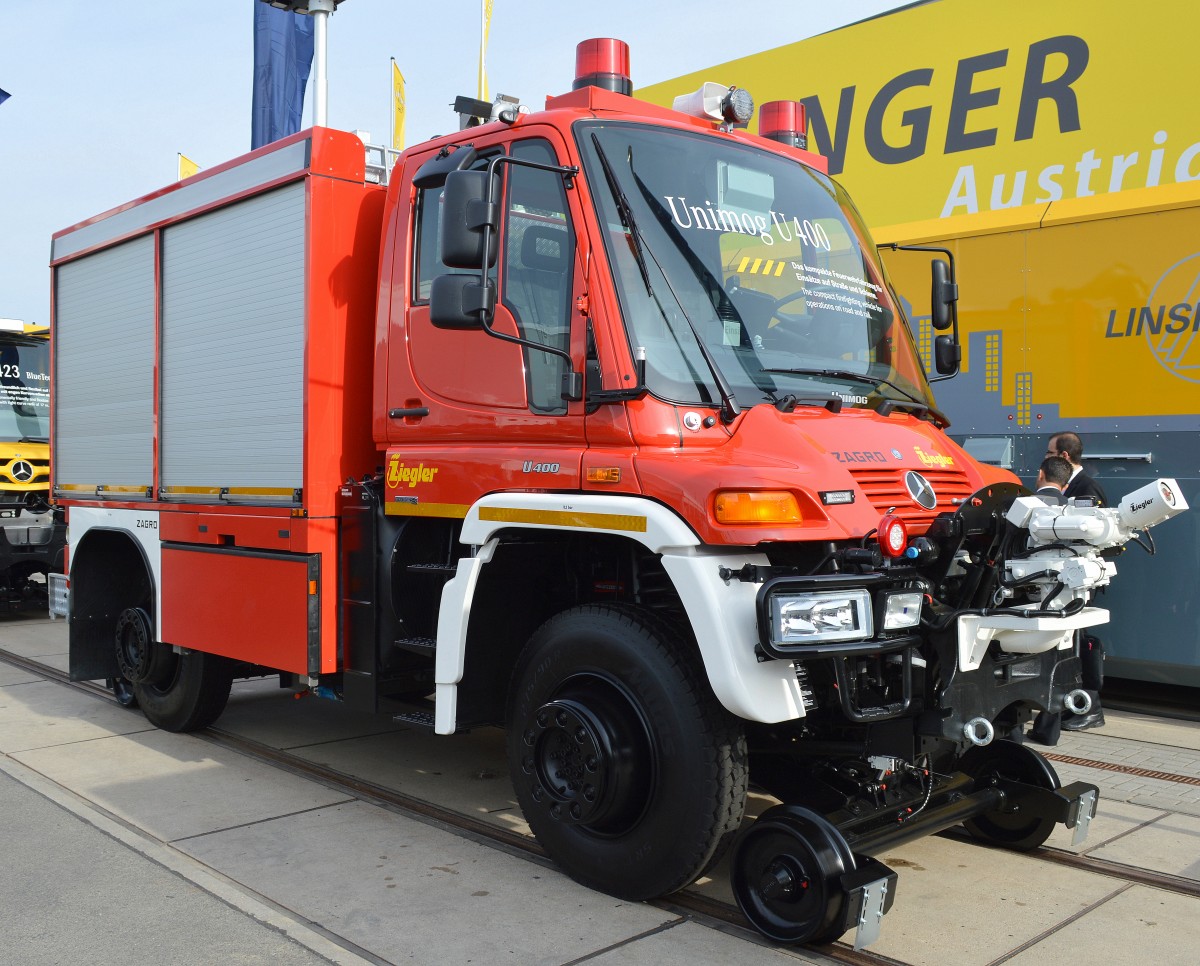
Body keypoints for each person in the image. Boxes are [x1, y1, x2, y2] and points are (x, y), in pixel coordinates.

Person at [1028, 434, 1107, 742]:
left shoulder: (1087, 488)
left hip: (1073, 578)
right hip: (1066, 578)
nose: (1044, 459)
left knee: (1073, 643)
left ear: (1061, 455)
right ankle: (1076, 707)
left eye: (1048, 454)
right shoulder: (1076, 486)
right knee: (1070, 643)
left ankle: (1088, 706)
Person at [1047, 431, 1107, 506]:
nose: (1046, 457)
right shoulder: (1060, 483)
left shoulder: (1088, 487)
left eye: (1050, 453)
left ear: (1064, 455)